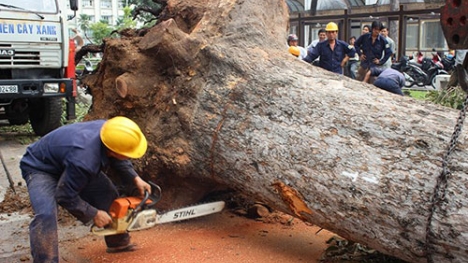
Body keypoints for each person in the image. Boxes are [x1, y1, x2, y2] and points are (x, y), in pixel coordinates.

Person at [20, 116, 152, 263]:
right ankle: (46, 260)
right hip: (40, 168)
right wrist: (93, 213)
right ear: (112, 150)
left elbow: (119, 156)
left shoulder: (111, 132)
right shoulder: (85, 161)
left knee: (107, 193)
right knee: (45, 215)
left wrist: (135, 178)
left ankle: (118, 241)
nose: (128, 156)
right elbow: (65, 195)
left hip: (70, 162)